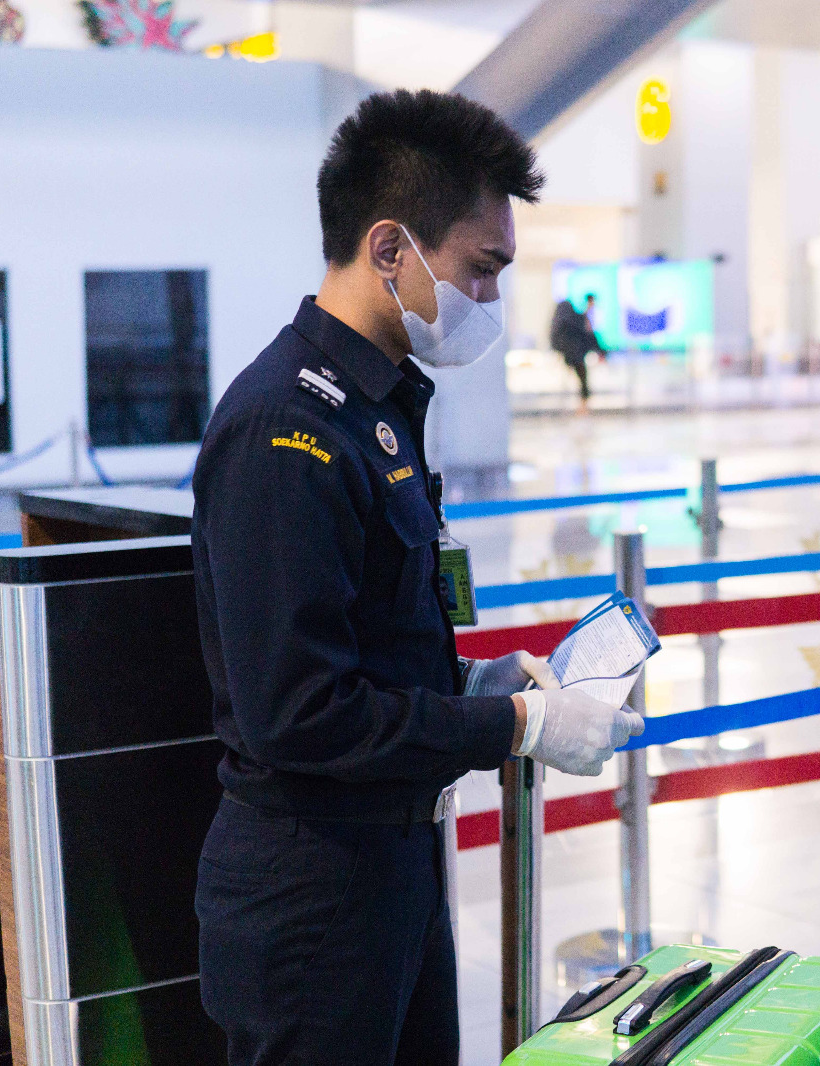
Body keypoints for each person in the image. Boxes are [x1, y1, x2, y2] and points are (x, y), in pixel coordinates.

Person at [189, 89, 644, 1066]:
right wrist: (512, 727)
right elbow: (299, 712)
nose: (489, 304)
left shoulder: (379, 408)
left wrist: (470, 685)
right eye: (482, 270)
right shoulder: (288, 430)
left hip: (390, 862)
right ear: (390, 247)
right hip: (312, 892)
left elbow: (364, 635)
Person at [550, 291, 605, 414]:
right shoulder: (574, 319)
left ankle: (581, 406)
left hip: (572, 353)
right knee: (580, 379)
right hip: (574, 354)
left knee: (579, 380)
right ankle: (581, 406)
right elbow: (588, 334)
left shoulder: (570, 318)